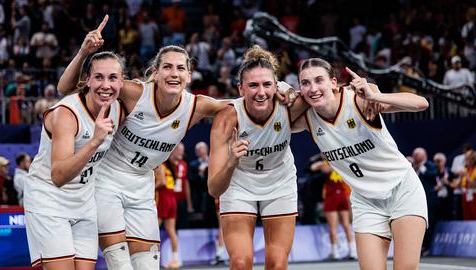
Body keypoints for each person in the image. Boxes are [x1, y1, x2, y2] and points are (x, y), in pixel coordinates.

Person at [56, 16, 294, 270]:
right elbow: (65, 88)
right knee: (119, 261)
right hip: (107, 178)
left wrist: (281, 86)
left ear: (189, 76)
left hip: (143, 185)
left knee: (147, 264)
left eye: (181, 68)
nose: (174, 73)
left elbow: (248, 102)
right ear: (155, 73)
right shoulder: (134, 92)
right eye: (167, 67)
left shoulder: (197, 106)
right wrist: (83, 53)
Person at [293, 58, 429, 270]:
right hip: (366, 201)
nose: (313, 88)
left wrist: (376, 96)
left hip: (402, 189)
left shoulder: (359, 100)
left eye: (319, 80)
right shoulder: (307, 119)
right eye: (305, 83)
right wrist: (283, 90)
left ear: (333, 82)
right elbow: (271, 119)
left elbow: (421, 103)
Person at [208, 45, 307, 270]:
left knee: (277, 263)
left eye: (267, 84)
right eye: (253, 85)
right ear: (240, 88)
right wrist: (232, 162)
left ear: (275, 86)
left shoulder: (289, 107)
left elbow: (330, 94)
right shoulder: (227, 119)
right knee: (241, 262)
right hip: (239, 184)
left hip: (279, 182)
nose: (260, 92)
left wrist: (290, 89)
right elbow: (214, 189)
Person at [23, 50, 124, 270]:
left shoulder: (117, 108)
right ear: (87, 79)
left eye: (112, 78)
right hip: (48, 199)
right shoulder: (67, 113)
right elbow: (58, 176)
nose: (105, 85)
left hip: (84, 203)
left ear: (122, 81)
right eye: (98, 77)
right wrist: (94, 142)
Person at [312, 160, 356, 260]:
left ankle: (335, 252)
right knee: (346, 225)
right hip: (342, 195)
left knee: (333, 226)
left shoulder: (326, 164)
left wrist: (322, 163)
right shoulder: (341, 163)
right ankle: (352, 251)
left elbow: (313, 168)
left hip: (332, 196)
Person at [155, 144, 184, 269]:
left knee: (154, 230)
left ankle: (152, 260)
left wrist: (150, 188)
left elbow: (162, 182)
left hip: (164, 198)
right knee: (171, 230)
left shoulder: (160, 166)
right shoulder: (169, 167)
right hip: (172, 199)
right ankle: (176, 260)